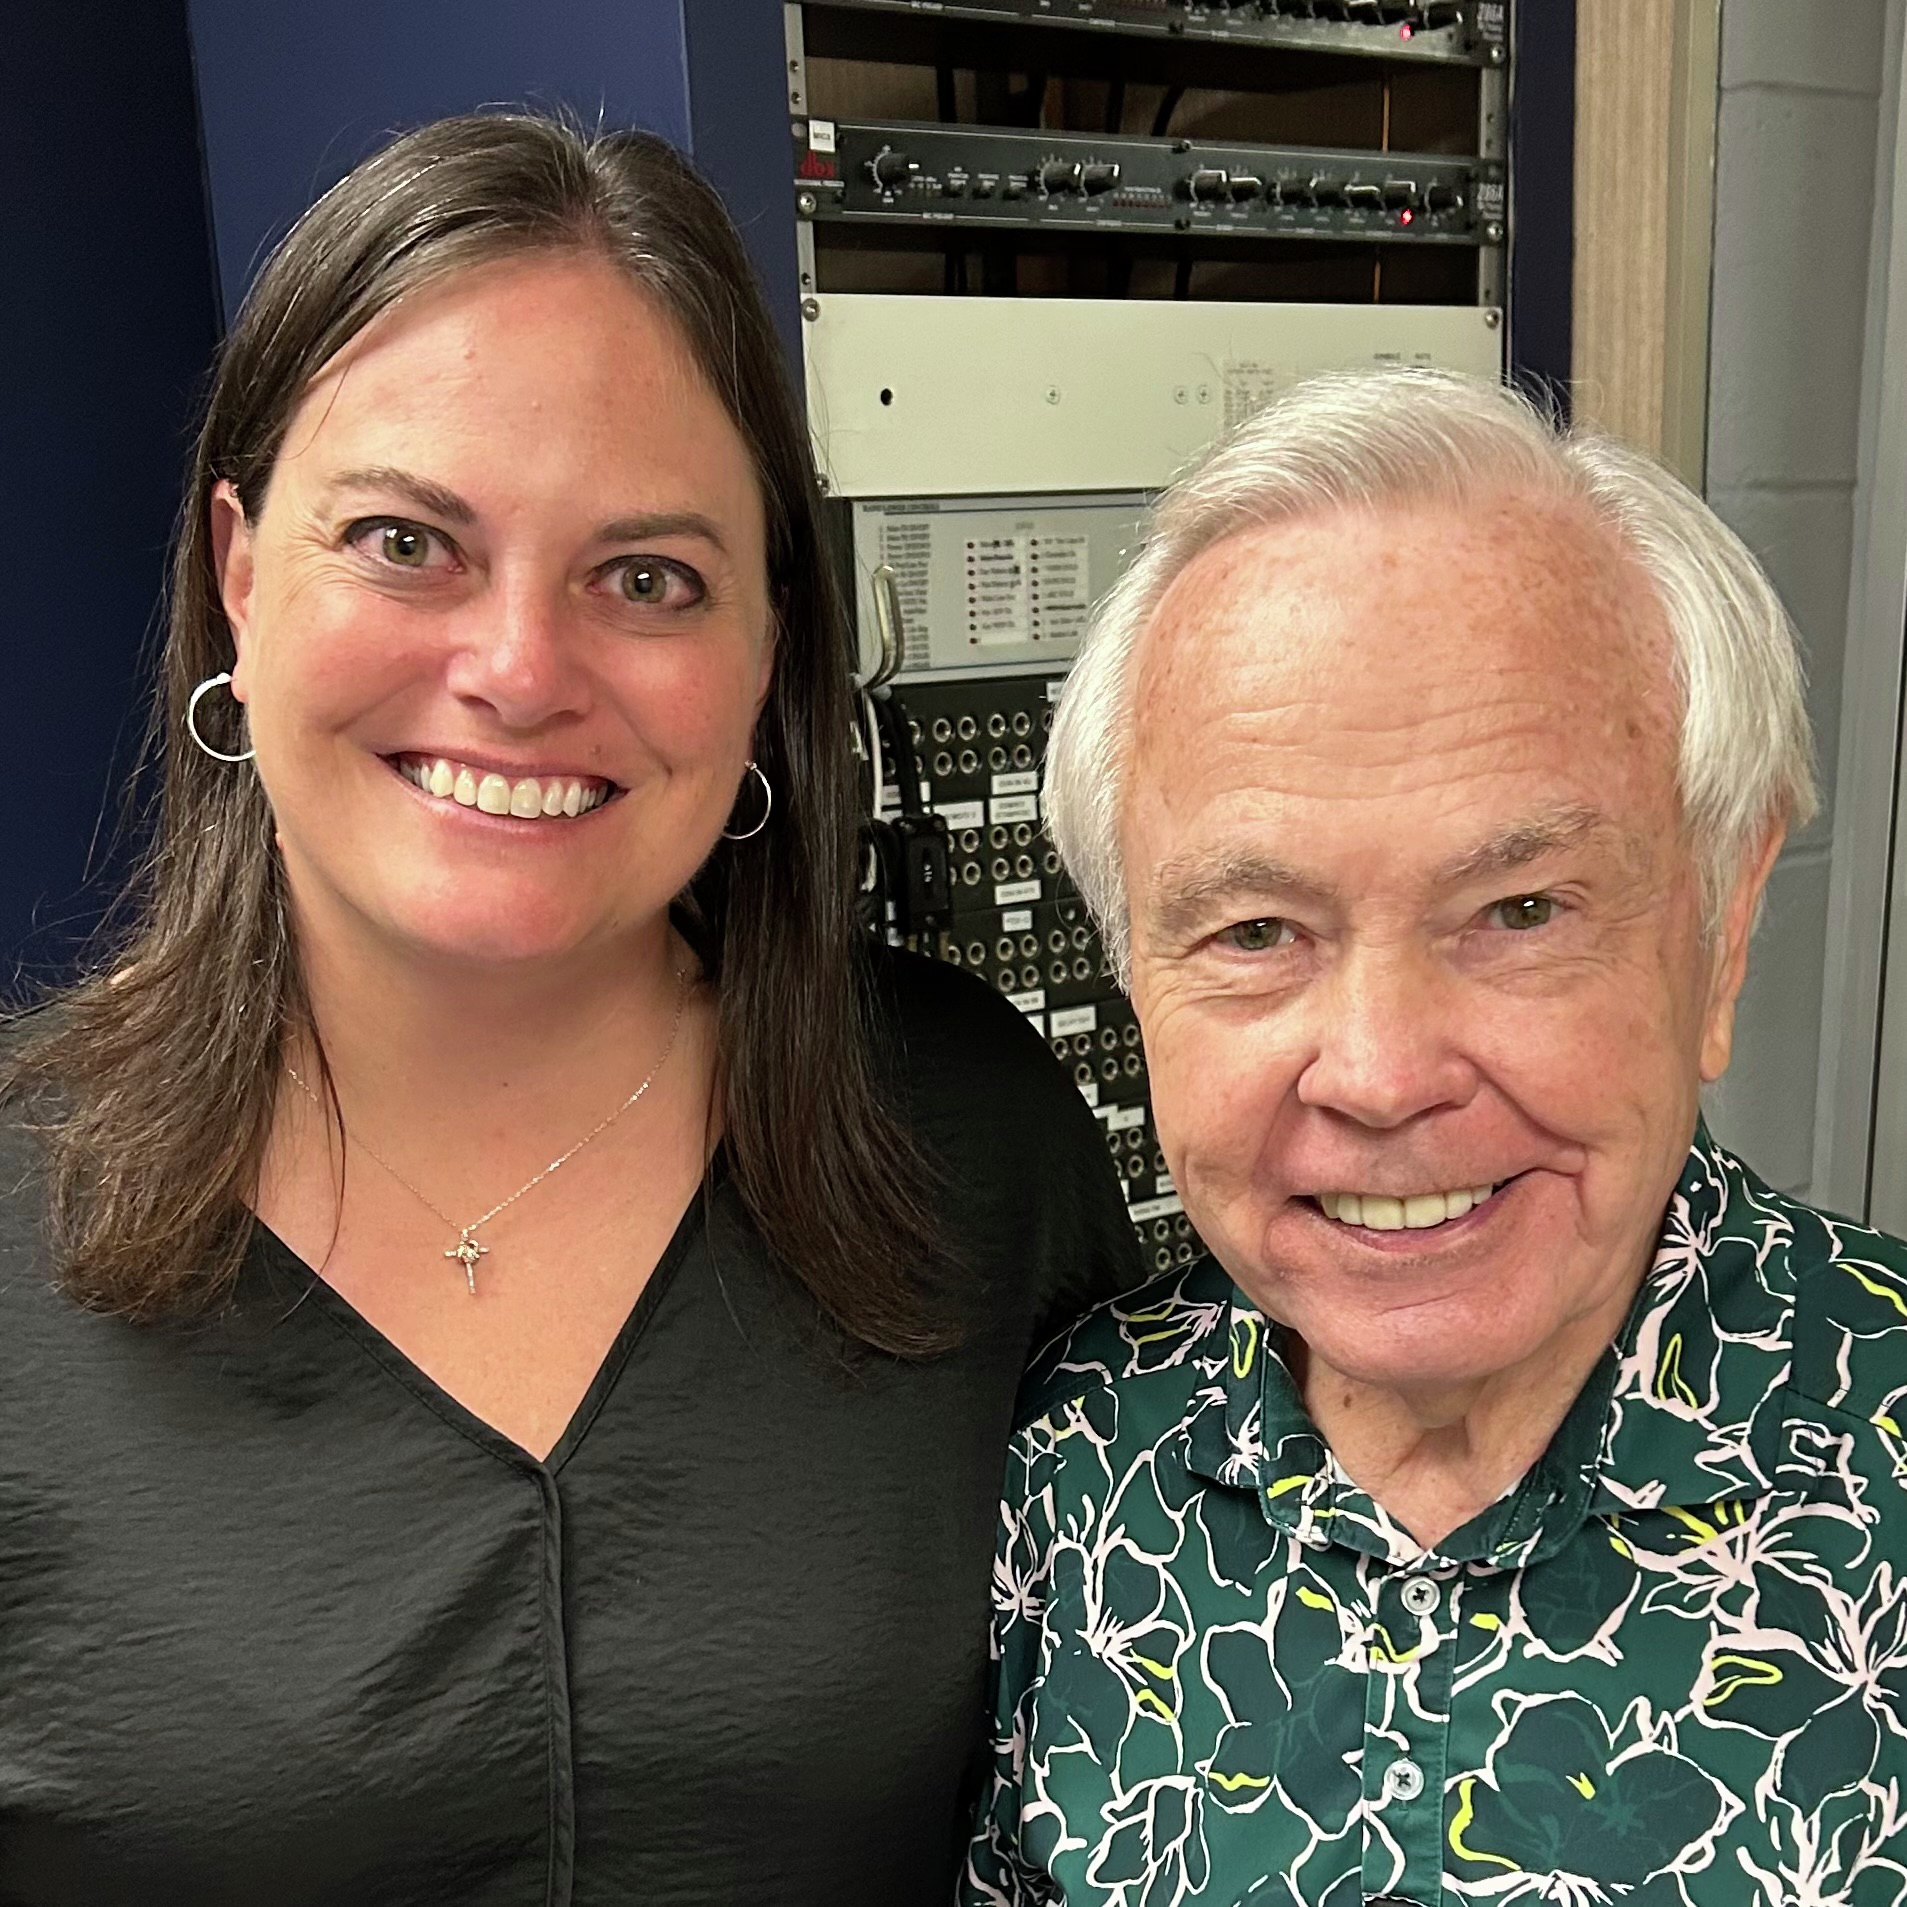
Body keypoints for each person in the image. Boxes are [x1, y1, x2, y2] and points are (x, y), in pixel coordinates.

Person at [0, 113, 1140, 1905]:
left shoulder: (974, 1142)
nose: (521, 670)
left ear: (766, 646)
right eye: (405, 540)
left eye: (648, 578)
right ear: (241, 571)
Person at [964, 368, 1907, 1905]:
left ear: (1722, 927)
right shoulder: (1065, 1457)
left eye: (1517, 910)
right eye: (1255, 930)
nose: (1381, 1074)